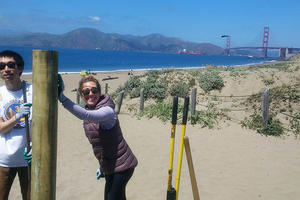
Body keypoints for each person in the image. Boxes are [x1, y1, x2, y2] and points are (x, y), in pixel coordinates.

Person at [58, 74, 138, 200]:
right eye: (86, 91)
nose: (90, 94)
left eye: (94, 90)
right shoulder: (89, 111)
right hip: (110, 165)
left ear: (100, 92)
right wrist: (102, 165)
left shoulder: (107, 111)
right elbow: (100, 144)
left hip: (123, 165)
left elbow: (88, 115)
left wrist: (62, 98)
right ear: (81, 94)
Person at [0, 50, 32, 200]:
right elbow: (1, 128)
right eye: (1, 66)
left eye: (11, 65)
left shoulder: (33, 90)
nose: (6, 69)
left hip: (30, 160)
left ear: (19, 68)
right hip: (4, 160)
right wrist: (17, 116)